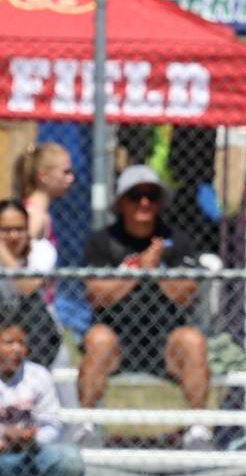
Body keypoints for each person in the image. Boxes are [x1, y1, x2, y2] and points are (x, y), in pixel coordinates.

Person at [76, 165, 212, 450]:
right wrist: (137, 268)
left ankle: (197, 429)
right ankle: (87, 425)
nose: (145, 203)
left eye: (152, 196)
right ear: (121, 202)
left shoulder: (177, 240)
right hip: (117, 336)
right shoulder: (103, 241)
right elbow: (97, 295)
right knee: (97, 339)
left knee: (193, 340)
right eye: (136, 196)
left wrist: (157, 271)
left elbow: (187, 293)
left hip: (166, 337)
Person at [0, 309, 84, 476]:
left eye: (21, 343)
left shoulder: (39, 376)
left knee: (69, 460)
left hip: (28, 459)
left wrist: (31, 438)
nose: (16, 349)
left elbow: (52, 425)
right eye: (8, 342)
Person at [0, 201, 62, 368]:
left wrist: (3, 252)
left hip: (37, 331)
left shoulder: (42, 250)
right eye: (5, 230)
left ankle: (34, 370)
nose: (13, 236)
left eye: (19, 229)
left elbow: (27, 287)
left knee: (32, 304)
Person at [14, 142, 75, 247]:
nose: (71, 178)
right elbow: (17, 260)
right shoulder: (34, 216)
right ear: (43, 176)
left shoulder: (41, 213)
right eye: (66, 172)